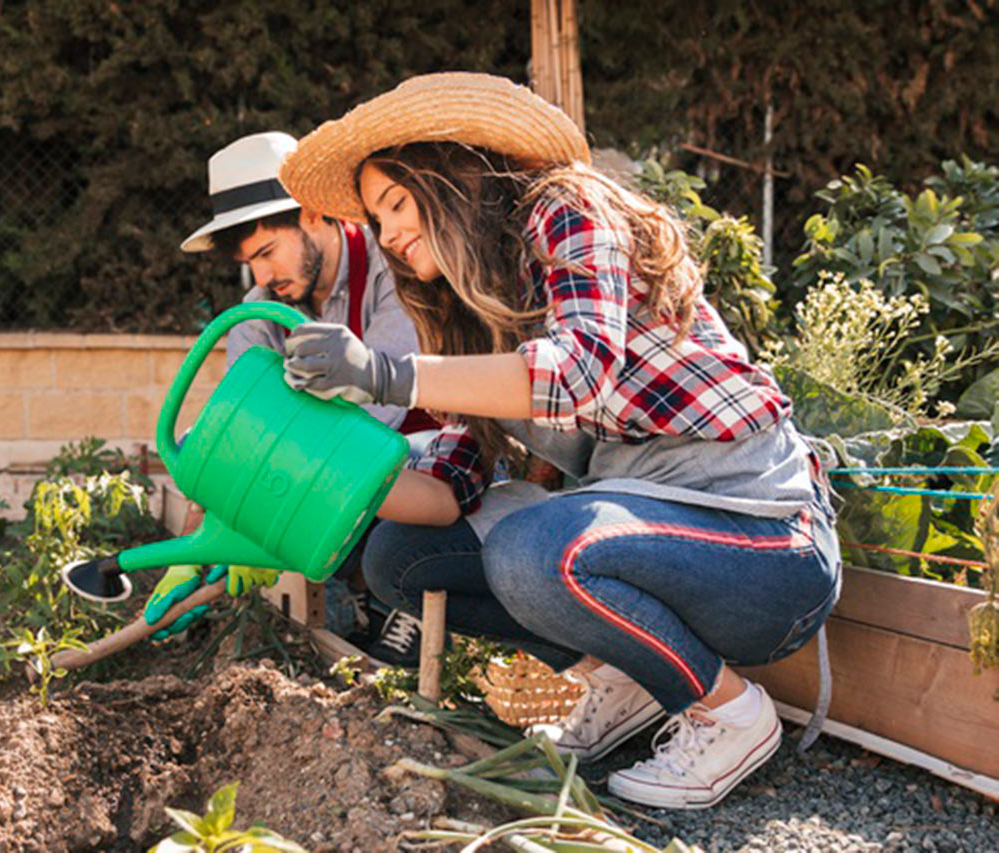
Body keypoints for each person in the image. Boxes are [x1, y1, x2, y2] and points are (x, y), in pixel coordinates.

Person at [276, 72, 841, 810]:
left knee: (535, 548)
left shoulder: (565, 210)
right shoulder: (471, 308)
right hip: (648, 532)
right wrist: (322, 468)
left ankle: (729, 712)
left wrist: (387, 374)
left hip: (764, 548)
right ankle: (632, 672)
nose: (387, 236)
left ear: (450, 177)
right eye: (375, 222)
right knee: (399, 559)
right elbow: (447, 491)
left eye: (394, 205)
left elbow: (580, 374)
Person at [143, 131, 437, 666]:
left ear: (311, 214)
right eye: (250, 263)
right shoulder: (261, 311)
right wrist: (196, 544)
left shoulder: (392, 271)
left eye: (267, 253)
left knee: (405, 458)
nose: (261, 277)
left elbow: (378, 414)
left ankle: (409, 601)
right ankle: (353, 596)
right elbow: (231, 432)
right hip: (330, 476)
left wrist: (259, 509)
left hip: (419, 461)